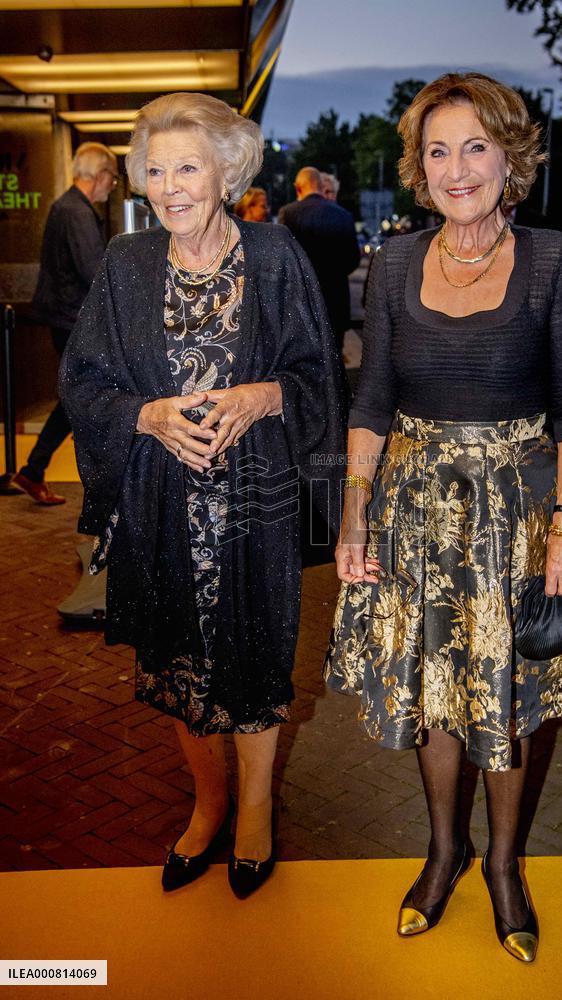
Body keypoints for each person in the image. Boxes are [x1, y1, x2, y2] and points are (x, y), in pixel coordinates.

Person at [324, 72, 562, 963]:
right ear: (419, 168)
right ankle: (443, 852)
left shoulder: (546, 257)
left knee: (510, 695)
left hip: (521, 513)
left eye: (475, 146)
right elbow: (372, 398)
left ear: (510, 155)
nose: (457, 167)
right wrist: (354, 515)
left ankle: (504, 866)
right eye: (437, 149)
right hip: (416, 514)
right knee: (433, 699)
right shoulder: (392, 264)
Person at [60, 92, 345, 899]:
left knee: (254, 659)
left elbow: (319, 375)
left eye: (188, 166)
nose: (170, 185)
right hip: (159, 502)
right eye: (156, 170)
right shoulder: (127, 264)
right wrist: (144, 414)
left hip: (255, 503)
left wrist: (261, 397)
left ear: (228, 172)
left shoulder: (277, 256)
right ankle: (208, 802)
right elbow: (83, 381)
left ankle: (254, 811)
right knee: (181, 662)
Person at [13, 142, 118, 505]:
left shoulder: (66, 205)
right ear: (101, 175)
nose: (112, 187)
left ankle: (33, 470)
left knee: (76, 395)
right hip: (72, 319)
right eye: (113, 179)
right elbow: (95, 270)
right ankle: (38, 469)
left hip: (65, 317)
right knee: (81, 395)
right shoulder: (77, 211)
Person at [279, 166, 360, 352]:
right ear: (319, 185)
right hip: (336, 301)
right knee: (336, 360)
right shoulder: (343, 215)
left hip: (300, 304)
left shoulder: (288, 214)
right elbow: (353, 259)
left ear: (298, 188)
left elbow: (284, 261)